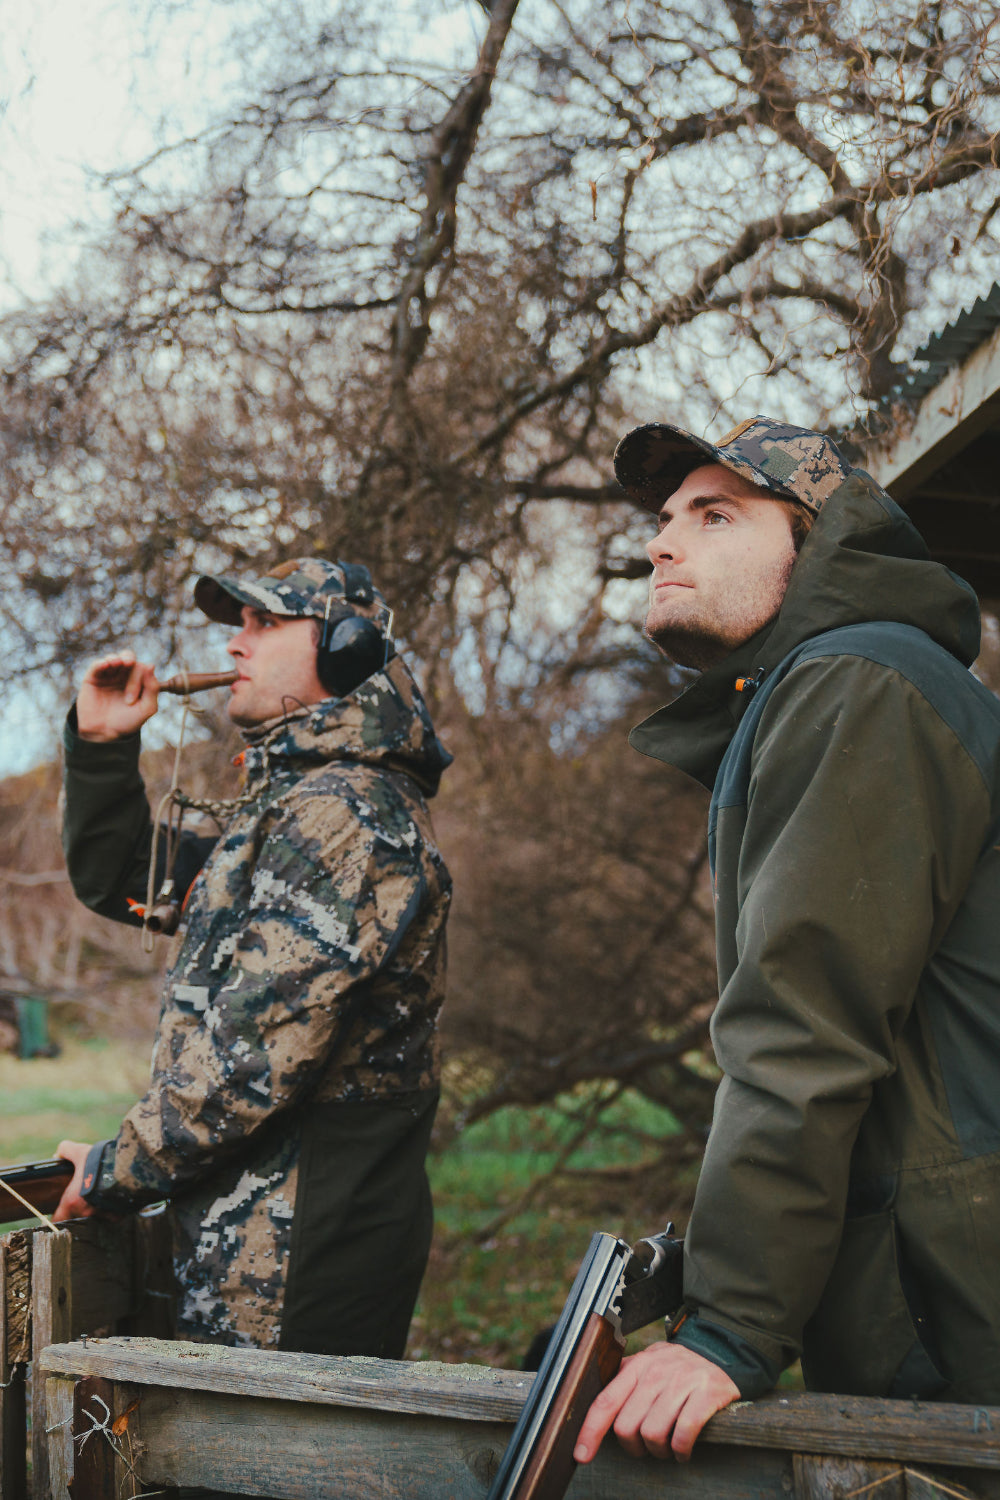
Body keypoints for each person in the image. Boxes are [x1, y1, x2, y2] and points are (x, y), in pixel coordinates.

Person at [575, 416, 1000, 1467]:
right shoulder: (838, 685)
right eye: (665, 521)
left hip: (956, 1296)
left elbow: (803, 1025)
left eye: (714, 516)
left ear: (817, 541)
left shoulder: (857, 683)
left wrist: (731, 1326)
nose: (663, 543)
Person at [53, 557, 453, 1358]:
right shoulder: (292, 811)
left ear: (346, 651)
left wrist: (110, 1172)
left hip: (301, 1267)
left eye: (264, 624)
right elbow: (132, 881)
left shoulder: (348, 816)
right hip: (252, 1251)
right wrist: (99, 747)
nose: (235, 645)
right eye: (236, 625)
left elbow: (250, 1059)